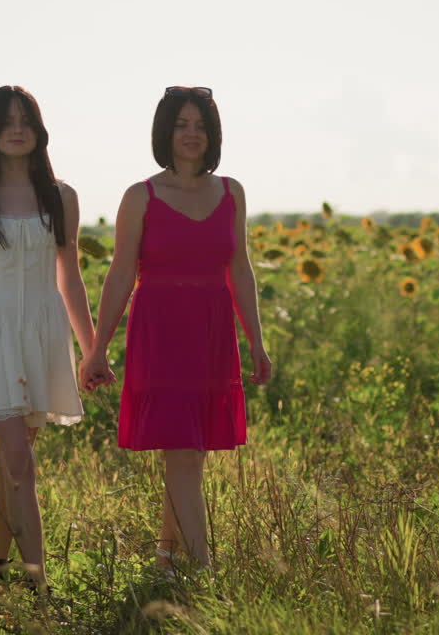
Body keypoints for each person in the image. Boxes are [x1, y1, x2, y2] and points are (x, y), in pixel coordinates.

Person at [80, 86, 272, 573]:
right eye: (183, 124)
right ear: (165, 131)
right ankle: (202, 569)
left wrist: (257, 342)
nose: (192, 134)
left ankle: (167, 559)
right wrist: (98, 347)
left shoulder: (232, 192)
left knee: (193, 454)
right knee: (183, 453)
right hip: (160, 331)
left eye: (201, 125)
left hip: (211, 330)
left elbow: (241, 270)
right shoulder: (140, 196)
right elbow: (121, 272)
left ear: (213, 135)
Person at [0, 85, 95, 593]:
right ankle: (39, 585)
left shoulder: (62, 196)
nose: (16, 128)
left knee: (16, 455)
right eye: (6, 121)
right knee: (20, 461)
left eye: (25, 119)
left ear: (38, 128)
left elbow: (70, 277)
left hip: (42, 333)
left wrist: (92, 350)